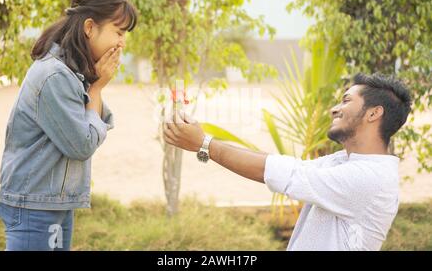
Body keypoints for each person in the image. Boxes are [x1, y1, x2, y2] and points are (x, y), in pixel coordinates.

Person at [164, 73, 412, 251]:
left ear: (373, 113)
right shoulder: (345, 162)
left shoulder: (369, 179)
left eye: (346, 100)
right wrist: (204, 142)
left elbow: (277, 172)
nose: (334, 109)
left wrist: (204, 144)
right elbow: (280, 166)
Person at [0, 0, 137, 251]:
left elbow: (87, 122)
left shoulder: (72, 71)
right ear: (89, 27)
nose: (122, 43)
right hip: (34, 206)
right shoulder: (55, 76)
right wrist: (97, 88)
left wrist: (94, 85)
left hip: (50, 202)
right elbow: (82, 144)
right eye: (118, 32)